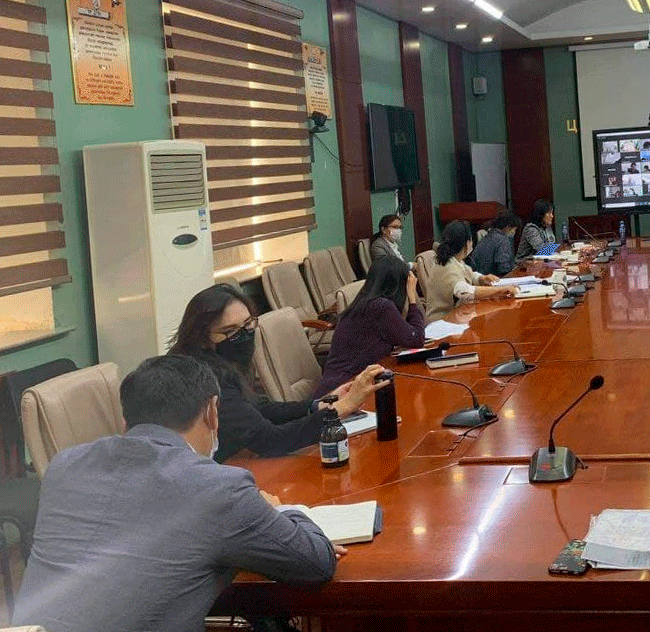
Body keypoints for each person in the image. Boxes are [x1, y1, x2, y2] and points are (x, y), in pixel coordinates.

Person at [12, 354, 338, 632]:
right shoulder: (219, 489)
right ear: (212, 412)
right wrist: (281, 509)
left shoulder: (64, 466)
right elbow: (316, 562)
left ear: (125, 420)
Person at [170, 283, 386, 461]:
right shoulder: (204, 377)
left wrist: (321, 405)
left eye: (248, 324)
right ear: (203, 337)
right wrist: (342, 408)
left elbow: (257, 407)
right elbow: (269, 440)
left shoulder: (221, 361)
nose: (245, 335)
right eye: (231, 331)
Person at [314, 254, 425, 397]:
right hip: (340, 393)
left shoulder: (366, 301)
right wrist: (412, 298)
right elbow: (416, 339)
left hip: (348, 385)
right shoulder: (381, 307)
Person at [426, 220, 518, 321]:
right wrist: (500, 290)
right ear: (466, 243)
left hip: (455, 317)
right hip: (442, 322)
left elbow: (467, 274)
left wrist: (482, 278)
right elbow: (465, 291)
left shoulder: (454, 260)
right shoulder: (448, 266)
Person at [470, 208, 521, 277]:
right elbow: (504, 269)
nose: (514, 232)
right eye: (514, 229)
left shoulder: (487, 236)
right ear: (508, 227)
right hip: (494, 279)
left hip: (479, 278)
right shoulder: (503, 241)